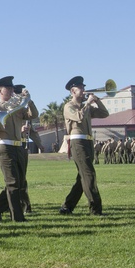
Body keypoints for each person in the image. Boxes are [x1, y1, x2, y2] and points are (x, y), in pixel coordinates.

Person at [0, 76, 35, 222]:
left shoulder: (18, 106)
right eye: (9, 88)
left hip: (18, 146)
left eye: (12, 88)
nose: (12, 90)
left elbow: (33, 115)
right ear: (0, 90)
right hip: (4, 145)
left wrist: (28, 101)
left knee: (19, 182)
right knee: (12, 182)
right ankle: (17, 217)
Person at [59, 76, 109, 216]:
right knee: (89, 175)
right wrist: (88, 104)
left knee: (82, 178)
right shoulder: (69, 106)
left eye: (83, 87)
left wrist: (97, 100)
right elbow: (79, 117)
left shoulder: (85, 107)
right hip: (77, 142)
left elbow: (105, 113)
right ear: (72, 91)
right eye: (80, 88)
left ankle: (67, 206)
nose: (83, 90)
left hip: (87, 142)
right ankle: (95, 209)